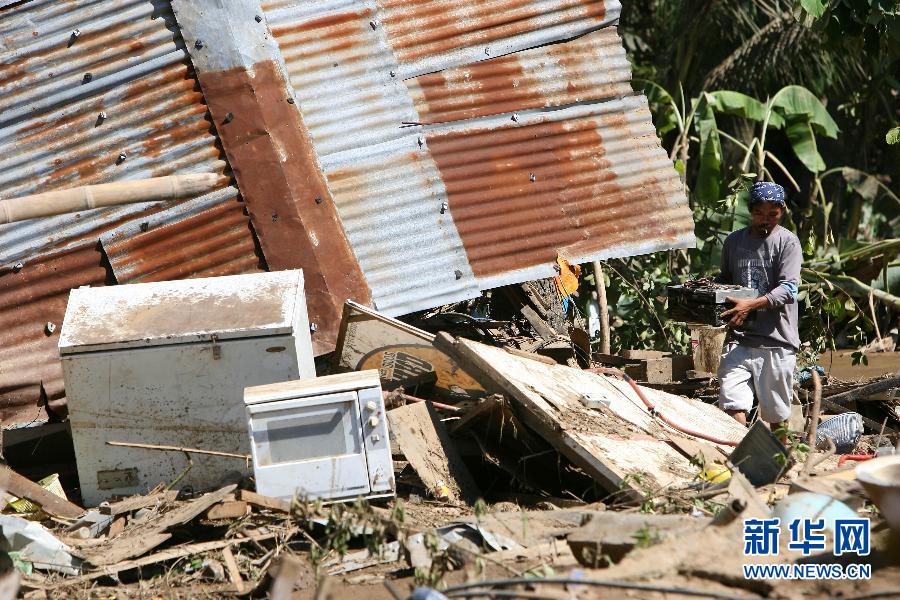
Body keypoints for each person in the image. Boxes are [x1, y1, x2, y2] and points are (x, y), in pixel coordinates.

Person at [716, 182, 802, 431]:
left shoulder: (788, 243)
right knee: (732, 403)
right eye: (759, 214)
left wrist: (750, 305)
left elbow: (788, 290)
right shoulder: (733, 242)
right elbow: (725, 280)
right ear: (750, 210)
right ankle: (740, 459)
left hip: (776, 341)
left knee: (776, 416)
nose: (765, 220)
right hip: (740, 340)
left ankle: (779, 464)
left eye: (772, 214)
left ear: (782, 211)